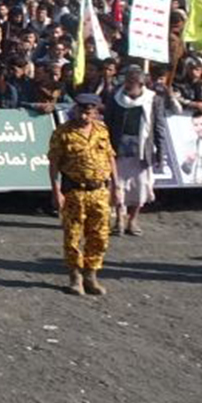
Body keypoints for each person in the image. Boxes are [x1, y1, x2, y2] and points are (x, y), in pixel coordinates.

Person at [47, 94, 119, 297]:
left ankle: (91, 275)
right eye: (81, 111)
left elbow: (110, 158)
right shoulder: (63, 133)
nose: (85, 116)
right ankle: (75, 277)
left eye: (89, 112)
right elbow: (54, 164)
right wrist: (56, 191)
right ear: (75, 109)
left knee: (99, 236)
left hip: (99, 191)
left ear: (95, 112)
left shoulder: (102, 131)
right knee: (73, 236)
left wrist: (116, 186)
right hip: (75, 192)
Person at [104, 66, 165, 235]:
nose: (128, 85)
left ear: (140, 83)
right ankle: (119, 219)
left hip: (141, 149)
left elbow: (158, 127)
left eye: (132, 82)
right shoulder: (115, 98)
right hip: (119, 146)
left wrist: (160, 152)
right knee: (118, 184)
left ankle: (133, 220)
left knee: (140, 186)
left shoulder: (153, 100)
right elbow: (108, 123)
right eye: (127, 81)